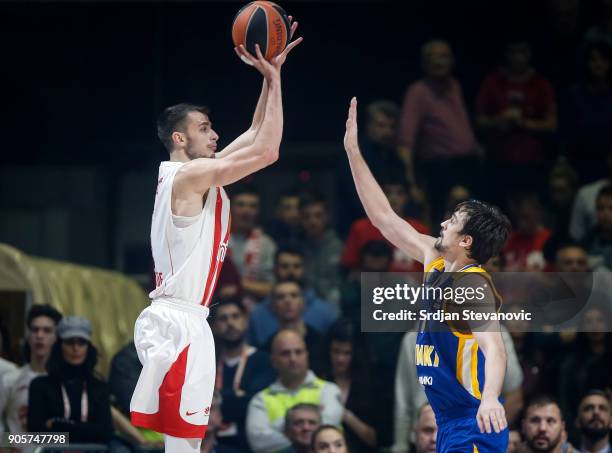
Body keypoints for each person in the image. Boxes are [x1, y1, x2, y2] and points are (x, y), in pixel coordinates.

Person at [129, 29, 302, 453]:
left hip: (186, 319)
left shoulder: (195, 174)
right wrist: (276, 80)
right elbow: (268, 151)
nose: (216, 135)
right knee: (185, 445)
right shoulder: (189, 176)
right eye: (204, 129)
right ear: (179, 139)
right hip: (179, 322)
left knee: (186, 443)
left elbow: (258, 130)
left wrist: (270, 73)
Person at [343, 97, 511, 451]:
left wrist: (492, 397)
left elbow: (494, 349)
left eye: (452, 221)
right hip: (448, 422)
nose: (442, 222)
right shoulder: (434, 258)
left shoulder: (472, 284)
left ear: (466, 240)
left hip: (473, 419)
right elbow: (383, 218)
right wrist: (353, 152)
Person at [398, 39, 481, 224]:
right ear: (424, 62)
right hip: (438, 170)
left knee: (473, 223)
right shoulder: (417, 92)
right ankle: (439, 255)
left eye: (444, 56)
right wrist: (410, 182)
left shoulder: (455, 86)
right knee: (442, 223)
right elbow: (405, 142)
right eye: (433, 57)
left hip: (467, 167)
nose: (439, 62)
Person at [245, 330, 343, 453]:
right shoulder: (260, 400)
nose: (293, 358)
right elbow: (259, 442)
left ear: (307, 354)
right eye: (285, 353)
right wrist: (309, 435)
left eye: (298, 352)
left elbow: (329, 431)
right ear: (273, 360)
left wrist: (284, 427)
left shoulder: (329, 390)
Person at [27, 316, 113, 444]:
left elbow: (105, 434)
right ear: (59, 346)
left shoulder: (98, 387)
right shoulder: (40, 386)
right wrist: (87, 431)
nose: (75, 348)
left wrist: (59, 425)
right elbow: (37, 435)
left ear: (88, 347)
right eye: (70, 342)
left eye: (81, 342)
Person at [211, 299, 276, 452]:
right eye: (223, 318)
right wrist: (237, 395)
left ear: (245, 321)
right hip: (212, 443)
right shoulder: (208, 362)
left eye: (235, 316)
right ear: (214, 327)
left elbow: (253, 402)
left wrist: (218, 398)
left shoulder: (263, 360)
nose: (230, 323)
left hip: (250, 445)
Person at [248, 245, 338, 348]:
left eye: (296, 266)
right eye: (285, 266)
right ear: (274, 270)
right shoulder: (258, 316)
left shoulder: (325, 313)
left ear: (304, 269)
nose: (291, 271)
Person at [0, 304, 61, 433]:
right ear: (28, 335)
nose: (40, 335)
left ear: (56, 336)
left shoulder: (64, 381)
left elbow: (67, 436)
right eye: (35, 330)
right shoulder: (10, 379)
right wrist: (7, 443)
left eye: (47, 330)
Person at [319, 319, 377, 452]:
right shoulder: (318, 380)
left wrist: (344, 414)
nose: (340, 359)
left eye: (347, 353)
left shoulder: (371, 385)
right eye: (335, 351)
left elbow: (374, 439)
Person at [228, 183, 278, 304]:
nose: (246, 211)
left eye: (252, 206)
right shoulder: (215, 239)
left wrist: (239, 285)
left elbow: (273, 288)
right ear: (230, 207)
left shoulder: (267, 244)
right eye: (240, 205)